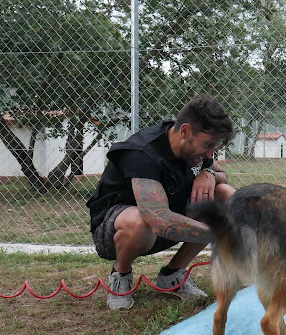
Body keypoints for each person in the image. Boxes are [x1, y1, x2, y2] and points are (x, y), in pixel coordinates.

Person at [86, 94, 235, 310]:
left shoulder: (194, 150)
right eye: (208, 145)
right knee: (140, 221)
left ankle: (172, 276)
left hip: (166, 223)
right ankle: (121, 274)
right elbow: (158, 220)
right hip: (119, 231)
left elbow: (222, 174)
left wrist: (210, 175)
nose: (211, 153)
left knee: (224, 193)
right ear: (185, 131)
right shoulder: (143, 153)